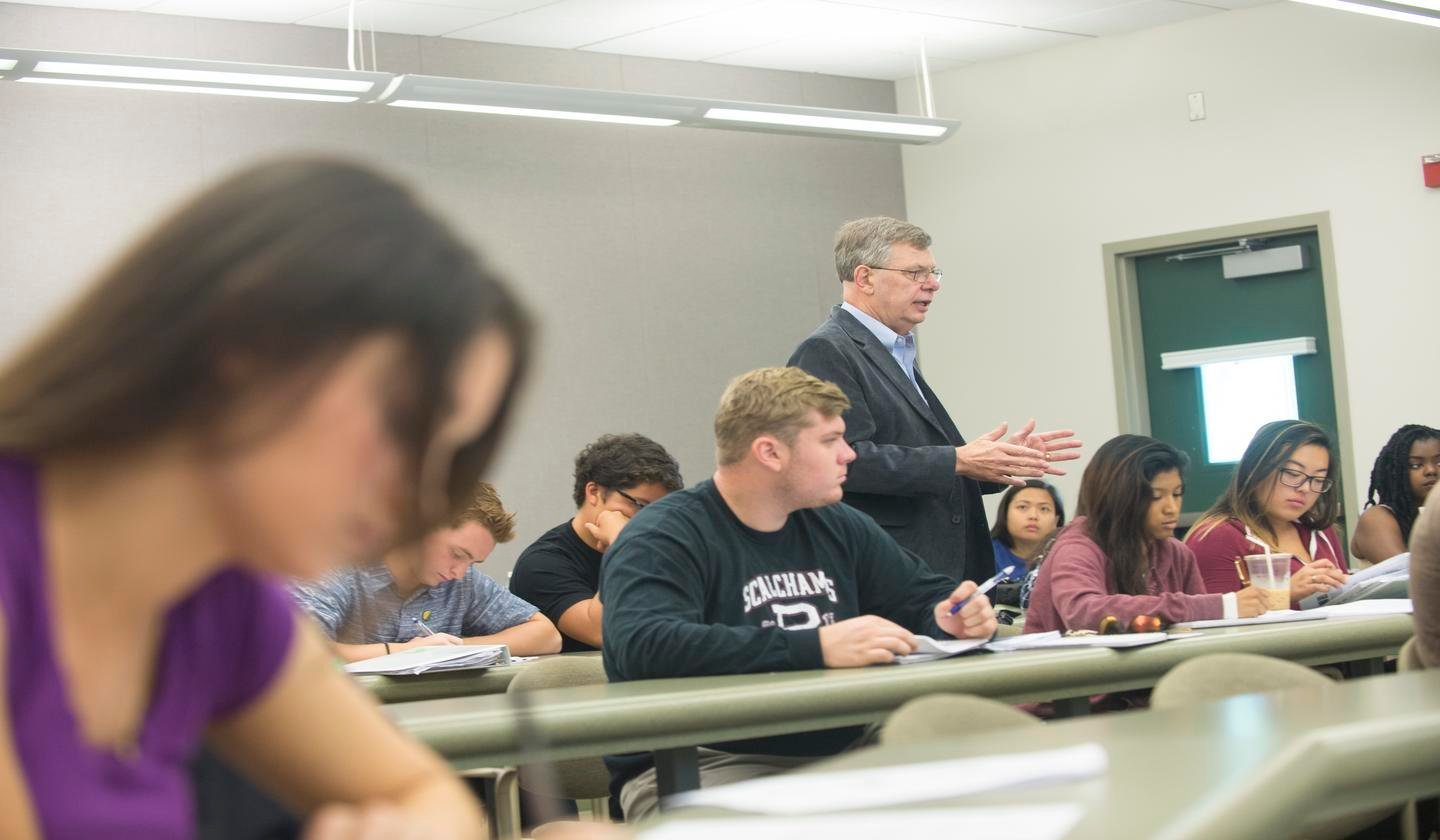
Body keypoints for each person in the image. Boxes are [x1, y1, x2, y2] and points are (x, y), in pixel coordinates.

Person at [0, 157, 530, 838]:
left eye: (451, 453)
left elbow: (431, 798)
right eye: (405, 424)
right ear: (249, 346)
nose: (425, 494)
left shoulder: (216, 597)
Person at [600, 366, 998, 822]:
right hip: (696, 761)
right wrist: (816, 647)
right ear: (770, 452)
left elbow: (921, 595)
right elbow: (645, 644)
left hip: (842, 752)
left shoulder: (838, 524)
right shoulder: (664, 535)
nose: (849, 454)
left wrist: (949, 616)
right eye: (830, 441)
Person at [788, 216, 1079, 582]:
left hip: (940, 571)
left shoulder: (896, 350)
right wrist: (957, 459)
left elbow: (930, 465)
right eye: (915, 273)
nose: (932, 284)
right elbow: (842, 460)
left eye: (933, 272)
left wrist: (999, 461)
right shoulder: (827, 351)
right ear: (865, 278)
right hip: (888, 573)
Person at [1025, 435, 1269, 633]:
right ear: (1119, 496)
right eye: (1156, 496)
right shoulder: (1078, 547)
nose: (1171, 508)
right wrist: (1221, 605)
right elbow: (1084, 612)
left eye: (1177, 493)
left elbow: (1201, 631)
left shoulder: (1178, 553)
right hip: (1071, 677)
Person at [294, 481, 561, 660]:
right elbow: (296, 651)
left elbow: (547, 636)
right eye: (457, 554)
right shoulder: (337, 565)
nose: (459, 572)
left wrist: (453, 648)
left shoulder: (462, 582)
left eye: (472, 563)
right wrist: (405, 652)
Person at [509, 434, 682, 652]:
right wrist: (622, 546)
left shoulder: (660, 551)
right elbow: (603, 631)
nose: (649, 520)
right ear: (593, 492)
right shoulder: (541, 563)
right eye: (639, 504)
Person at [1186, 420, 1348, 603]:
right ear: (1256, 470)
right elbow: (1212, 615)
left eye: (1318, 480)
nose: (1305, 488)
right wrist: (1284, 594)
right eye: (1293, 474)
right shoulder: (1217, 537)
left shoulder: (1321, 531)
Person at [1352, 424, 1440, 564]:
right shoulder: (1377, 518)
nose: (1431, 470)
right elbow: (1406, 571)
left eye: (1439, 462)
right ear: (1396, 471)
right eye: (1416, 465)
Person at [989, 480, 1065, 581]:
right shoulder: (985, 554)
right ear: (1005, 514)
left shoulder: (1066, 558)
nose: (1033, 516)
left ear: (1056, 520)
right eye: (1023, 507)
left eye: (1044, 509)